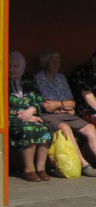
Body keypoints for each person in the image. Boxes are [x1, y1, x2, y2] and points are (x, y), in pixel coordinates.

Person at [34, 49, 96, 177]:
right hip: (49, 117)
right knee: (65, 127)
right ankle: (83, 163)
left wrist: (59, 105)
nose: (57, 64)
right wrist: (64, 105)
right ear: (45, 63)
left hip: (67, 114)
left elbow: (72, 103)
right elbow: (47, 107)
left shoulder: (61, 78)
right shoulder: (38, 78)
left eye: (59, 62)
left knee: (90, 128)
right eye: (54, 62)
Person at [9, 51, 52, 182]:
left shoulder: (28, 79)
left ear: (21, 66)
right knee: (28, 129)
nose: (12, 69)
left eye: (15, 66)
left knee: (44, 129)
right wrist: (22, 115)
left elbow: (39, 99)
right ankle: (29, 169)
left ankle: (41, 169)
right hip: (11, 117)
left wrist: (32, 110)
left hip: (31, 115)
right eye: (9, 66)